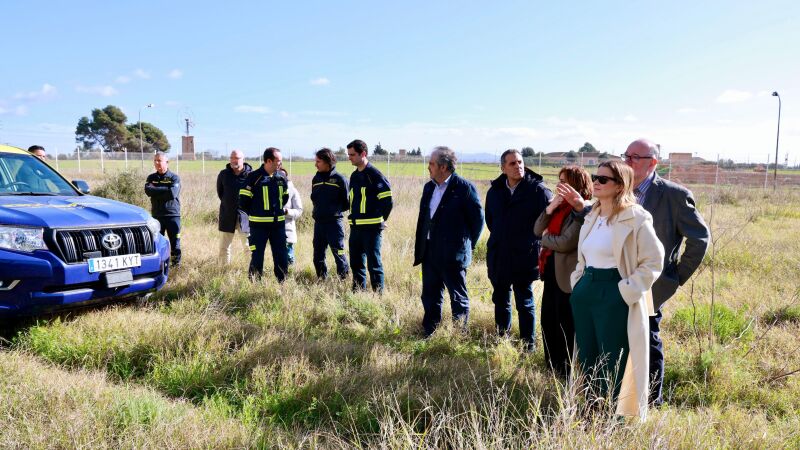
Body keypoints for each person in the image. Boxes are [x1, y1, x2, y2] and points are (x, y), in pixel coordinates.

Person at [569, 160, 664, 421]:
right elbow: (583, 256)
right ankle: (590, 409)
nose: (596, 183)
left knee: (613, 357)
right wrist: (578, 282)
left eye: (603, 179)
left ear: (620, 185)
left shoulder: (636, 217)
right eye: (595, 177)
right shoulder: (592, 215)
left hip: (615, 292)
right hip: (586, 291)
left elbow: (654, 261)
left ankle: (613, 416)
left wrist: (626, 291)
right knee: (587, 355)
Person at [623, 139, 709, 406]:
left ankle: (651, 400)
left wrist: (675, 277)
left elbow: (699, 239)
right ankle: (624, 395)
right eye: (626, 155)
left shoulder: (674, 195)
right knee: (623, 336)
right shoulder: (620, 189)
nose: (627, 161)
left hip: (652, 284)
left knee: (647, 336)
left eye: (635, 157)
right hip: (620, 280)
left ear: (653, 162)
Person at [413, 146, 484, 337]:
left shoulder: (464, 188)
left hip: (453, 254)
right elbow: (424, 219)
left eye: (431, 163)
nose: (428, 167)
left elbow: (477, 222)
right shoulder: (429, 187)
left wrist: (464, 245)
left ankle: (458, 335)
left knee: (457, 297)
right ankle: (430, 331)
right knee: (430, 294)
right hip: (429, 252)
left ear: (443, 167)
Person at [485, 149, 552, 349]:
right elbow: (491, 221)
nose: (518, 166)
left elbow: (549, 222)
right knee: (501, 300)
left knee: (525, 302)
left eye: (520, 162)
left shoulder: (538, 190)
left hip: (525, 256)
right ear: (503, 168)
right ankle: (502, 341)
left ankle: (528, 345)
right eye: (512, 163)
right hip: (500, 255)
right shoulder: (495, 191)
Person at [534, 165, 592, 376]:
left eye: (564, 182)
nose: (560, 186)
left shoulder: (583, 210)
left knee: (565, 323)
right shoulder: (558, 206)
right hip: (550, 273)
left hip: (568, 276)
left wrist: (545, 239)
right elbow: (537, 229)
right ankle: (552, 366)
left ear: (577, 185)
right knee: (549, 321)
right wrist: (550, 208)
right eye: (559, 181)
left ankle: (567, 369)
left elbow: (566, 243)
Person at [346, 139, 392, 292]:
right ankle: (358, 293)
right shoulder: (354, 176)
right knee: (356, 263)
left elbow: (387, 201)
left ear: (363, 154)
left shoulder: (375, 175)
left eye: (352, 154)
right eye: (348, 154)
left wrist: (382, 219)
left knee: (374, 264)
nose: (349, 157)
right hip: (355, 228)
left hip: (372, 228)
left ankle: (378, 296)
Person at [239, 147, 290, 282]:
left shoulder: (282, 178)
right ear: (268, 161)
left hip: (278, 225)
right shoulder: (253, 177)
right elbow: (243, 201)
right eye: (278, 160)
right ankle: (255, 283)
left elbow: (284, 198)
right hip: (258, 226)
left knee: (281, 255)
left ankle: (282, 283)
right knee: (257, 256)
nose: (280, 163)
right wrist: (257, 213)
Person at [311, 148, 350, 279]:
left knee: (339, 253)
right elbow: (314, 199)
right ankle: (321, 279)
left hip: (334, 224)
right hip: (319, 224)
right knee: (318, 255)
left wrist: (333, 211)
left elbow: (347, 203)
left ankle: (343, 280)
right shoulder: (315, 179)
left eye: (318, 161)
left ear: (328, 162)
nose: (315, 164)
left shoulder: (340, 179)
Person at [145, 152, 182, 267]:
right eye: (155, 160)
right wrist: (165, 189)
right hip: (157, 216)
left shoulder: (174, 178)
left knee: (175, 242)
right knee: (157, 242)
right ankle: (159, 265)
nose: (157, 163)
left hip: (172, 215)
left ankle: (176, 266)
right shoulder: (151, 178)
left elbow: (172, 193)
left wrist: (156, 191)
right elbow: (148, 191)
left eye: (159, 160)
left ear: (167, 162)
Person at [217, 150, 253, 264]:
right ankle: (223, 270)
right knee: (224, 247)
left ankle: (251, 270)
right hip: (227, 215)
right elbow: (220, 193)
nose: (234, 160)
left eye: (237, 158)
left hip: (246, 217)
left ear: (243, 159)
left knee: (249, 247)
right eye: (232, 158)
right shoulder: (223, 174)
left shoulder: (251, 175)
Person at [279, 168, 303, 266]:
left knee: (289, 257)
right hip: (272, 229)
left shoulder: (292, 190)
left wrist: (287, 211)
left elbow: (299, 210)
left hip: (287, 230)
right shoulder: (269, 188)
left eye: (283, 175)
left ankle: (290, 273)